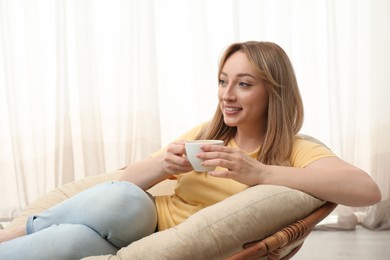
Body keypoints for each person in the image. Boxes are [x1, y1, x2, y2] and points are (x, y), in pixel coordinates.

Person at [0, 41, 382, 259]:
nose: (226, 95)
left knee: (65, 244)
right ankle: (17, 231)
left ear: (273, 92)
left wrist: (259, 172)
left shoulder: (295, 149)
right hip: (135, 220)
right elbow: (121, 186)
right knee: (126, 200)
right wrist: (162, 165)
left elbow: (367, 190)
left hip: (155, 246)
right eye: (222, 81)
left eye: (244, 84)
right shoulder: (209, 133)